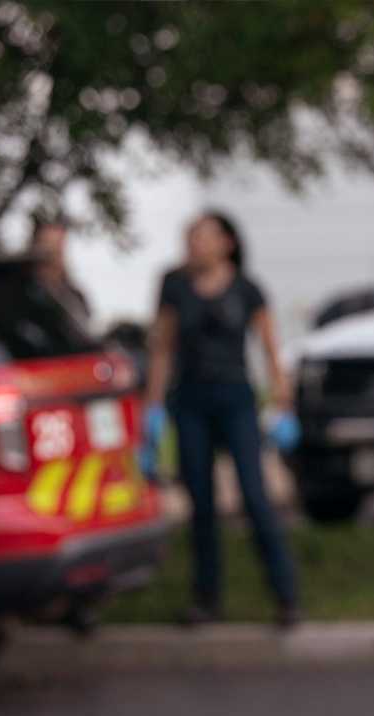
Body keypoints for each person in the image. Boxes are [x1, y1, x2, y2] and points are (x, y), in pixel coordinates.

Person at [143, 211, 300, 628]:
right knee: (201, 503)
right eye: (190, 236)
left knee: (254, 495)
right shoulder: (174, 286)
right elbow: (161, 348)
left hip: (236, 400)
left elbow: (270, 350)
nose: (194, 244)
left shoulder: (248, 289)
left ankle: (286, 596)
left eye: (202, 237)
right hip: (189, 402)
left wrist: (282, 403)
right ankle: (206, 599)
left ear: (226, 243)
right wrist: (153, 409)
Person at [28, 214, 92, 329]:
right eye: (46, 245)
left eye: (59, 249)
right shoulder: (23, 290)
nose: (53, 255)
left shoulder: (74, 297)